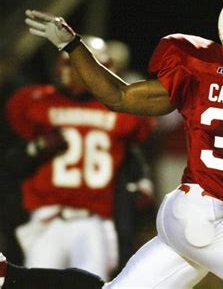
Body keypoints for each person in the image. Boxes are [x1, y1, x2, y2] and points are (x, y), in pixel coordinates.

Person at [3, 0, 223, 288]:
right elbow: (119, 97)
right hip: (202, 212)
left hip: (200, 215)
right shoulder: (199, 67)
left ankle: (12, 277)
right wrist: (73, 45)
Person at [3, 36, 155, 282]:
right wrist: (39, 146)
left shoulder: (123, 111)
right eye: (64, 63)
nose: (66, 70)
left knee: (92, 283)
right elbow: (10, 160)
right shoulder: (34, 101)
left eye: (73, 63)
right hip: (45, 217)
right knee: (33, 284)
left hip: (95, 220)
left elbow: (131, 156)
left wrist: (140, 181)